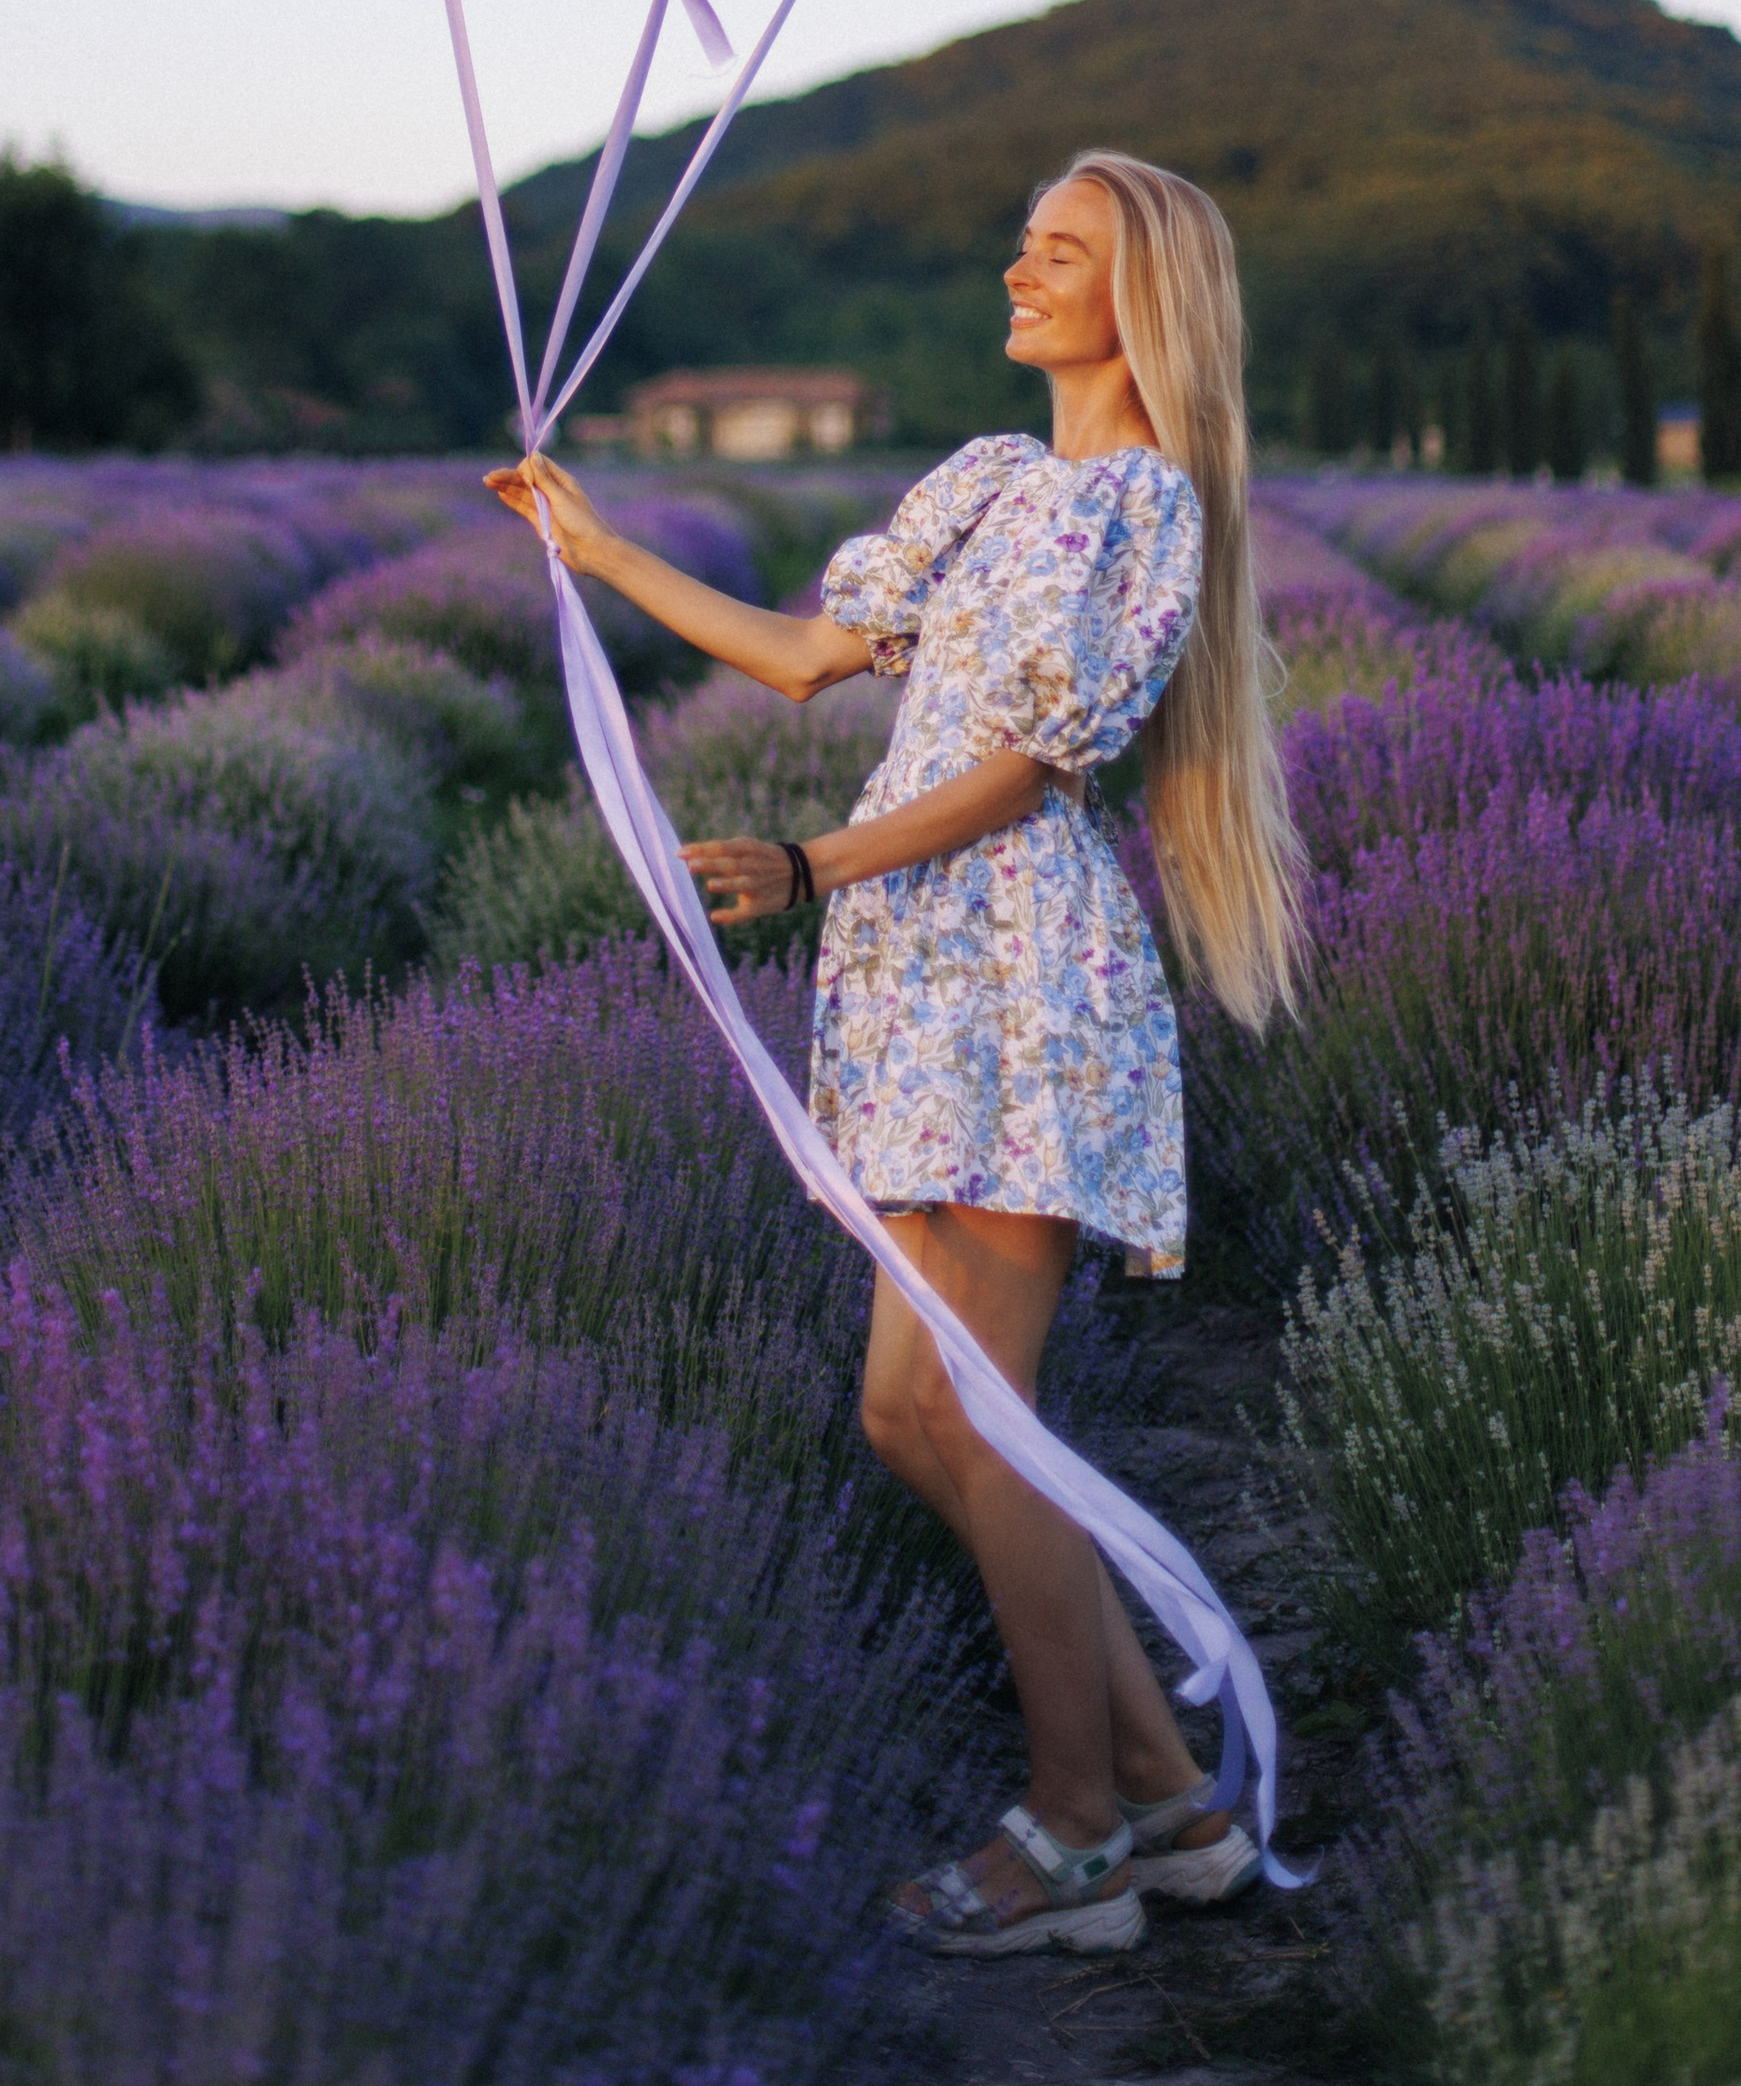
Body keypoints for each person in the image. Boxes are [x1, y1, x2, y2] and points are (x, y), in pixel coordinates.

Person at [487, 149, 1306, 1960]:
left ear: (1140, 296)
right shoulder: (995, 481)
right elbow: (803, 658)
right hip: (925, 973)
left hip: (1028, 981)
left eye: (1061, 249)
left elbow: (1039, 762)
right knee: (909, 1411)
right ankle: (1172, 1801)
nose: (1017, 265)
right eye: (1018, 235)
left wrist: (809, 864)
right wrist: (597, 545)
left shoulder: (1145, 507)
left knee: (988, 1420)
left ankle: (1074, 1829)